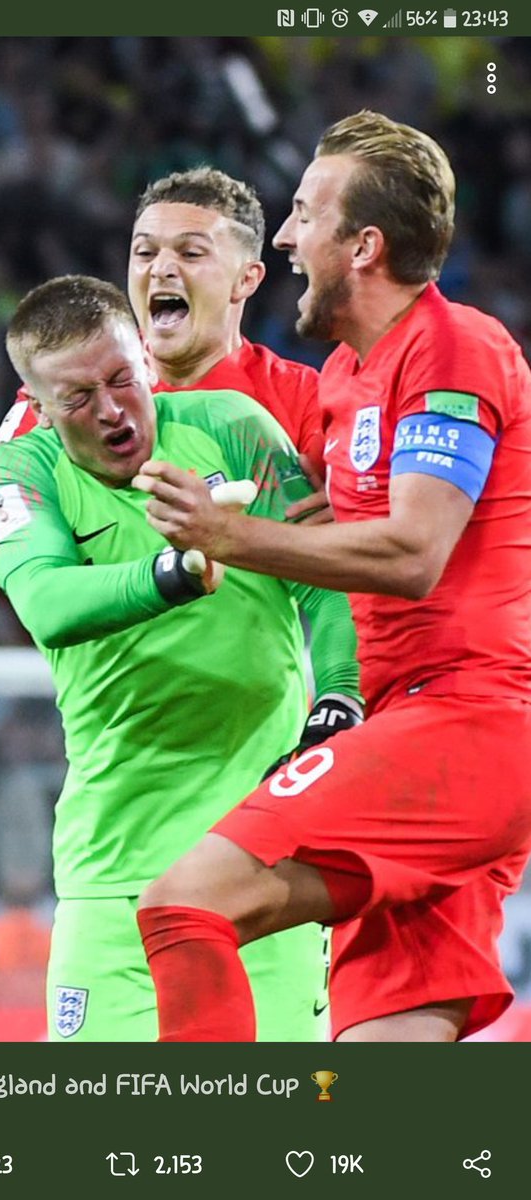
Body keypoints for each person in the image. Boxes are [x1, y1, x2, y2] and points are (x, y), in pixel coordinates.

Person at [134, 110, 531, 1043]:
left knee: (182, 905)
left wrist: (228, 538)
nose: (282, 234)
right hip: (420, 732)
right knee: (381, 1073)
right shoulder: (350, 374)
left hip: (467, 720)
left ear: (363, 244)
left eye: (304, 214)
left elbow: (412, 553)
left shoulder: (453, 346)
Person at [0, 274, 362, 1042]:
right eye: (78, 398)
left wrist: (340, 693)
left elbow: (325, 575)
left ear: (146, 364)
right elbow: (49, 605)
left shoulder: (233, 424)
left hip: (264, 867)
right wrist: (176, 570)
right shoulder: (20, 473)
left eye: (122, 379)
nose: (112, 410)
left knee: (273, 1143)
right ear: (41, 411)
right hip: (116, 874)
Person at [0, 167, 325, 566]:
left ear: (246, 280)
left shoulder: (300, 397)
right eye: (145, 252)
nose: (161, 268)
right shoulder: (72, 390)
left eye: (190, 253)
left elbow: (352, 520)